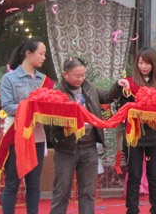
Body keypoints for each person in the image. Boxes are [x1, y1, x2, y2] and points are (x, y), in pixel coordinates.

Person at [50, 57, 129, 214]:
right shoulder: (57, 93)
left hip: (89, 146)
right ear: (65, 74)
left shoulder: (88, 87)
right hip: (66, 148)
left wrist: (118, 85)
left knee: (88, 192)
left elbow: (107, 96)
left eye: (83, 75)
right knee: (61, 191)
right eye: (77, 76)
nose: (81, 79)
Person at [0, 37, 49, 214]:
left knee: (34, 183)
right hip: (16, 134)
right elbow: (7, 106)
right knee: (12, 182)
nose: (44, 57)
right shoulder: (9, 78)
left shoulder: (44, 80)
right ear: (28, 53)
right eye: (41, 53)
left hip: (37, 135)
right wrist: (31, 110)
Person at [119, 47, 156, 214]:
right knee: (134, 174)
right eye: (140, 62)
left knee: (154, 174)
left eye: (147, 63)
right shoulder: (129, 81)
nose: (143, 66)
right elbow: (122, 106)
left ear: (153, 64)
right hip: (135, 134)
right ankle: (132, 210)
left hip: (155, 133)